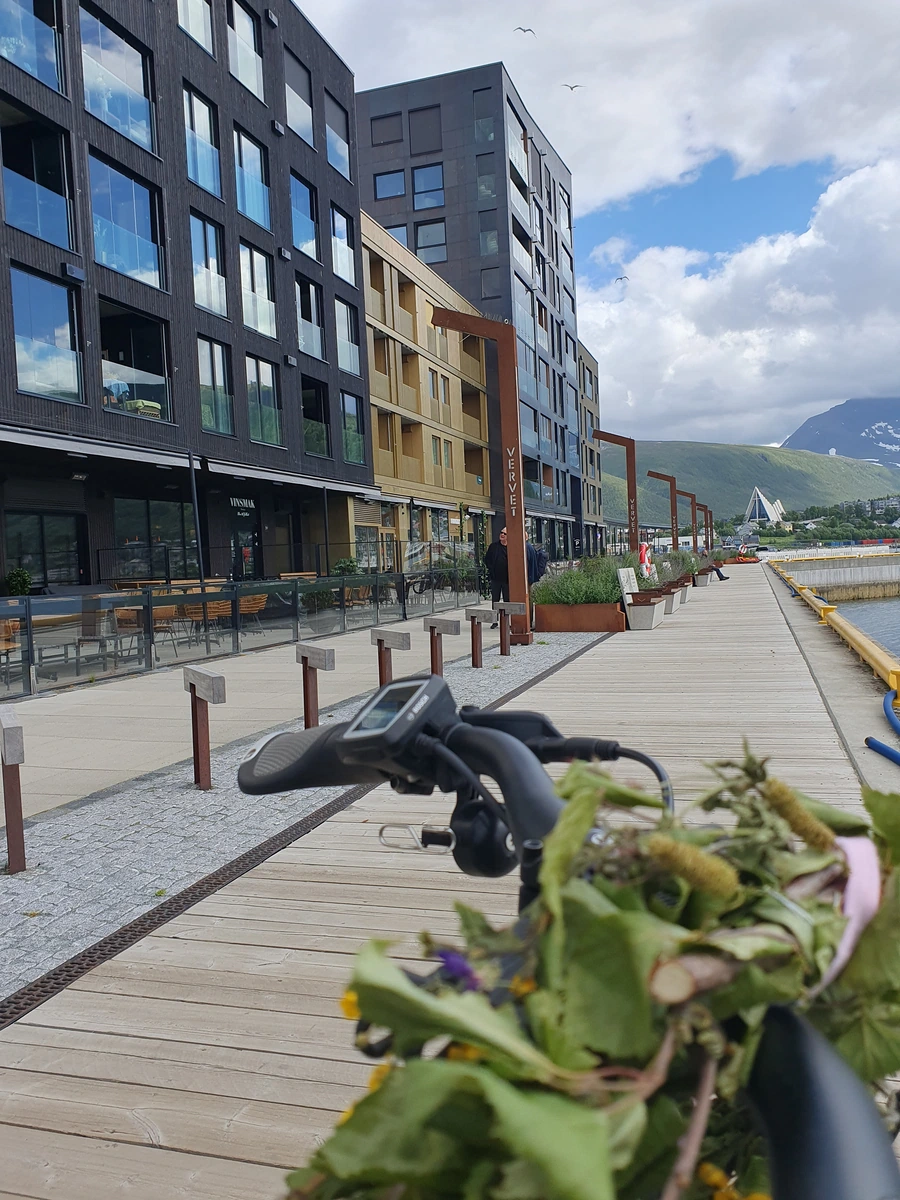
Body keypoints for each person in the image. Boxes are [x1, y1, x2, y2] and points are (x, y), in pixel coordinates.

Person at [484, 526, 544, 626]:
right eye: (501, 532)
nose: (502, 535)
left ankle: (507, 621)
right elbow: (487, 559)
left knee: (508, 600)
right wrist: (491, 569)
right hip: (496, 578)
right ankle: (495, 621)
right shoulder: (494, 546)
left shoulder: (512, 547)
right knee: (495, 599)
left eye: (505, 533)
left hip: (508, 579)